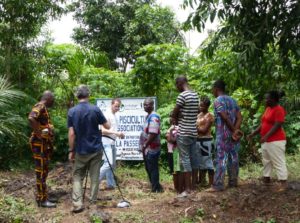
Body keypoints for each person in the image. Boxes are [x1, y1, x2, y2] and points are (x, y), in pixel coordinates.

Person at [68, 85, 110, 213]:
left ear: (77, 96)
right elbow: (107, 126)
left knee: (77, 176)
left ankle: (77, 204)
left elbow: (71, 134)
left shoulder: (72, 111)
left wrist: (71, 151)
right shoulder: (95, 109)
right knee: (94, 176)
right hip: (96, 149)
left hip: (81, 150)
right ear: (88, 95)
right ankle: (92, 203)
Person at [247, 90, 288, 189]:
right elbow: (263, 124)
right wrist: (253, 133)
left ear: (273, 99)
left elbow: (278, 125)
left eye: (267, 98)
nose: (265, 100)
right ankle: (266, 178)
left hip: (276, 141)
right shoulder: (268, 109)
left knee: (278, 161)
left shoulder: (279, 109)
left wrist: (266, 136)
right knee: (266, 160)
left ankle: (283, 182)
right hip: (266, 141)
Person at [208, 80, 242, 192]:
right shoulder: (233, 100)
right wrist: (236, 131)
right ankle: (233, 182)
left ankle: (218, 184)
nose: (212, 91)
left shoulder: (218, 101)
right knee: (233, 158)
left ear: (216, 89)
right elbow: (239, 117)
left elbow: (224, 117)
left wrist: (233, 131)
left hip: (222, 135)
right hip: (233, 136)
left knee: (221, 159)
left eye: (213, 89)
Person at [171, 75, 199, 197]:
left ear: (180, 83)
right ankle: (193, 187)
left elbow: (174, 113)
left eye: (176, 85)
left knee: (185, 160)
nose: (176, 87)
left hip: (183, 132)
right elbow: (196, 111)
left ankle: (187, 190)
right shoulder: (195, 94)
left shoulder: (182, 96)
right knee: (193, 159)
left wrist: (176, 116)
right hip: (193, 131)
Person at [28, 90, 56, 208]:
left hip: (43, 145)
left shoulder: (42, 107)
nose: (53, 102)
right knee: (40, 171)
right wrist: (38, 133)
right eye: (53, 99)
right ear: (48, 98)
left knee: (44, 170)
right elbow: (31, 118)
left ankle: (44, 195)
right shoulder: (40, 106)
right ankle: (42, 200)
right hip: (39, 144)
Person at [99, 98, 125, 190]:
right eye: (115, 106)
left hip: (112, 142)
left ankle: (111, 184)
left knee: (112, 165)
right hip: (106, 142)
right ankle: (95, 181)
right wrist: (117, 133)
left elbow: (112, 130)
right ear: (111, 105)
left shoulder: (115, 115)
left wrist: (119, 135)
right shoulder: (107, 114)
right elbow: (102, 130)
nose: (117, 108)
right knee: (108, 163)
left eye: (118, 106)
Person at [139, 98, 163, 193]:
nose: (146, 106)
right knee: (148, 168)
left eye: (148, 104)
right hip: (147, 148)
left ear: (152, 105)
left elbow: (153, 133)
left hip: (152, 148)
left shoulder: (154, 116)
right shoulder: (148, 116)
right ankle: (156, 186)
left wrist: (145, 144)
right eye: (144, 105)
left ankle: (156, 189)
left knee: (152, 168)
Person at [196, 97, 214, 187]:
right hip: (198, 140)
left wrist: (194, 128)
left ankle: (211, 183)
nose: (200, 107)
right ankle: (202, 182)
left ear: (207, 106)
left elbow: (204, 130)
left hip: (205, 141)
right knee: (200, 162)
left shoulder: (209, 116)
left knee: (207, 162)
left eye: (202, 106)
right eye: (200, 105)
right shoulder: (199, 115)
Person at [166, 113, 184, 194]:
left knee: (178, 171)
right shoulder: (171, 128)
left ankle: (180, 188)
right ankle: (176, 188)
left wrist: (170, 131)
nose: (171, 119)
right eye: (170, 117)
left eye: (173, 117)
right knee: (173, 171)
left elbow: (172, 140)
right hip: (170, 152)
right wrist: (170, 131)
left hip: (177, 152)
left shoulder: (178, 128)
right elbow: (168, 139)